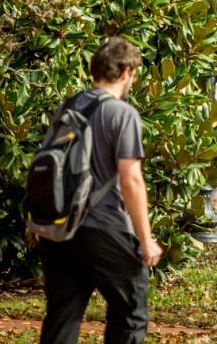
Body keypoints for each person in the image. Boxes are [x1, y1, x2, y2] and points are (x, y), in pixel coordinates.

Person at [39, 37, 162, 344]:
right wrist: (146, 241)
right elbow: (131, 179)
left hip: (60, 228)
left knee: (61, 318)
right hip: (103, 227)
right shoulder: (122, 114)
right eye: (133, 74)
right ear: (125, 72)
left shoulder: (68, 106)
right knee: (130, 312)